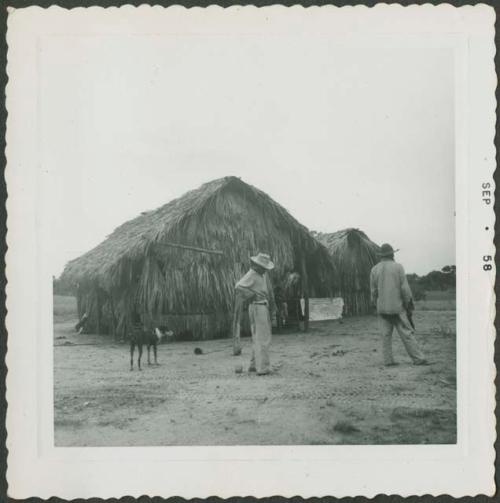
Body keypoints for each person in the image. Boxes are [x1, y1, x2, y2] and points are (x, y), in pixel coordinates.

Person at [370, 243, 428, 366]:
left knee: (385, 335)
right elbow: (405, 289)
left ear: (381, 255)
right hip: (397, 307)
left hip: (382, 308)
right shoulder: (398, 267)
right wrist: (408, 304)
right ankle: (418, 359)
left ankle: (388, 361)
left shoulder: (374, 269)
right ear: (392, 254)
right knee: (406, 333)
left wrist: (375, 304)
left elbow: (373, 291)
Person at [235, 252, 276, 375]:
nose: (264, 270)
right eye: (263, 267)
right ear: (257, 265)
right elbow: (238, 287)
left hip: (260, 306)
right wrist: (251, 295)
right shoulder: (252, 274)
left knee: (257, 337)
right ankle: (263, 367)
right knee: (262, 338)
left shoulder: (261, 275)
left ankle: (254, 364)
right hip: (258, 306)